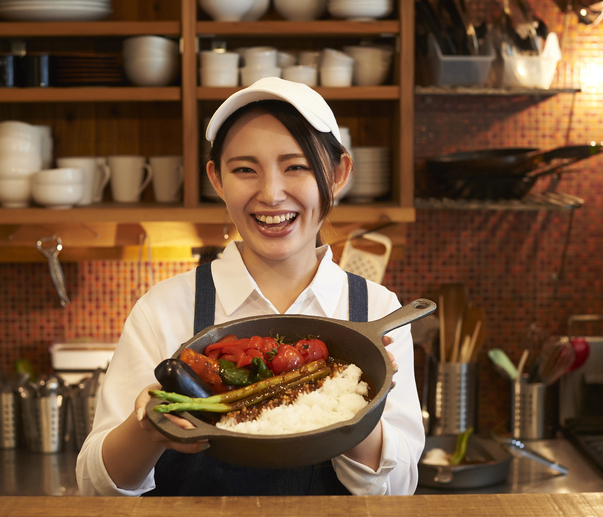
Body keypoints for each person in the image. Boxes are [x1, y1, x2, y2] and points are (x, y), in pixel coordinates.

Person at [76, 77, 425, 497]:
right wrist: (147, 429)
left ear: (337, 174)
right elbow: (96, 490)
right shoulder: (165, 308)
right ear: (217, 179)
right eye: (245, 170)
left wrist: (355, 399)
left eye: (295, 166)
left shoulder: (375, 308)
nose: (271, 194)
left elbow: (400, 489)